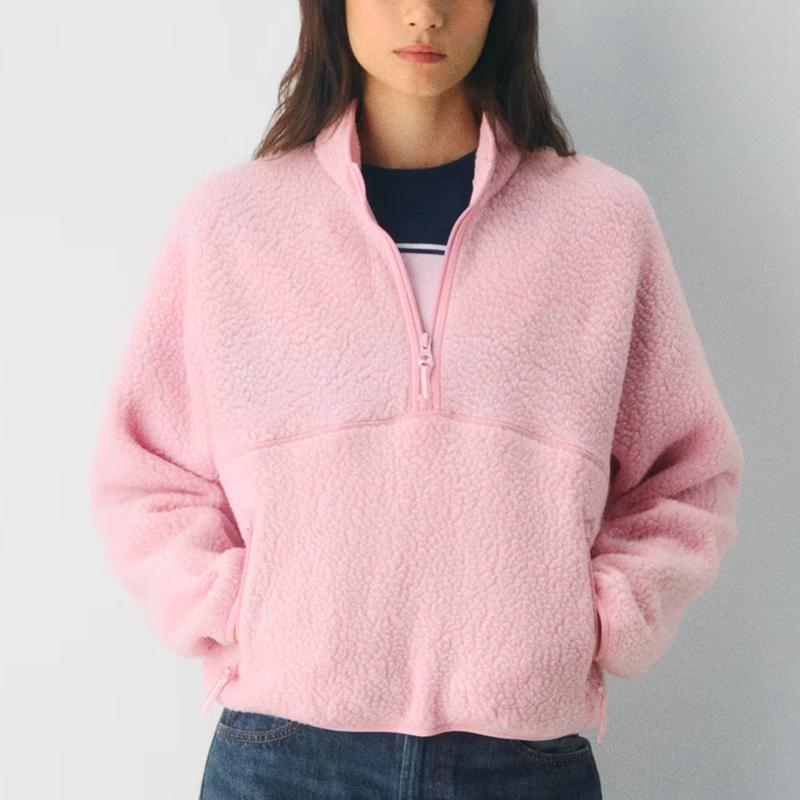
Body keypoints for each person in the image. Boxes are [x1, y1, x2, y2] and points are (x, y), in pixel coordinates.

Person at [88, 1, 745, 798]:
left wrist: (600, 617)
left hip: (521, 761)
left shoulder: (601, 222)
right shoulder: (232, 224)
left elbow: (687, 472)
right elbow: (146, 470)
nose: (424, 13)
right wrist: (239, 608)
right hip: (287, 755)